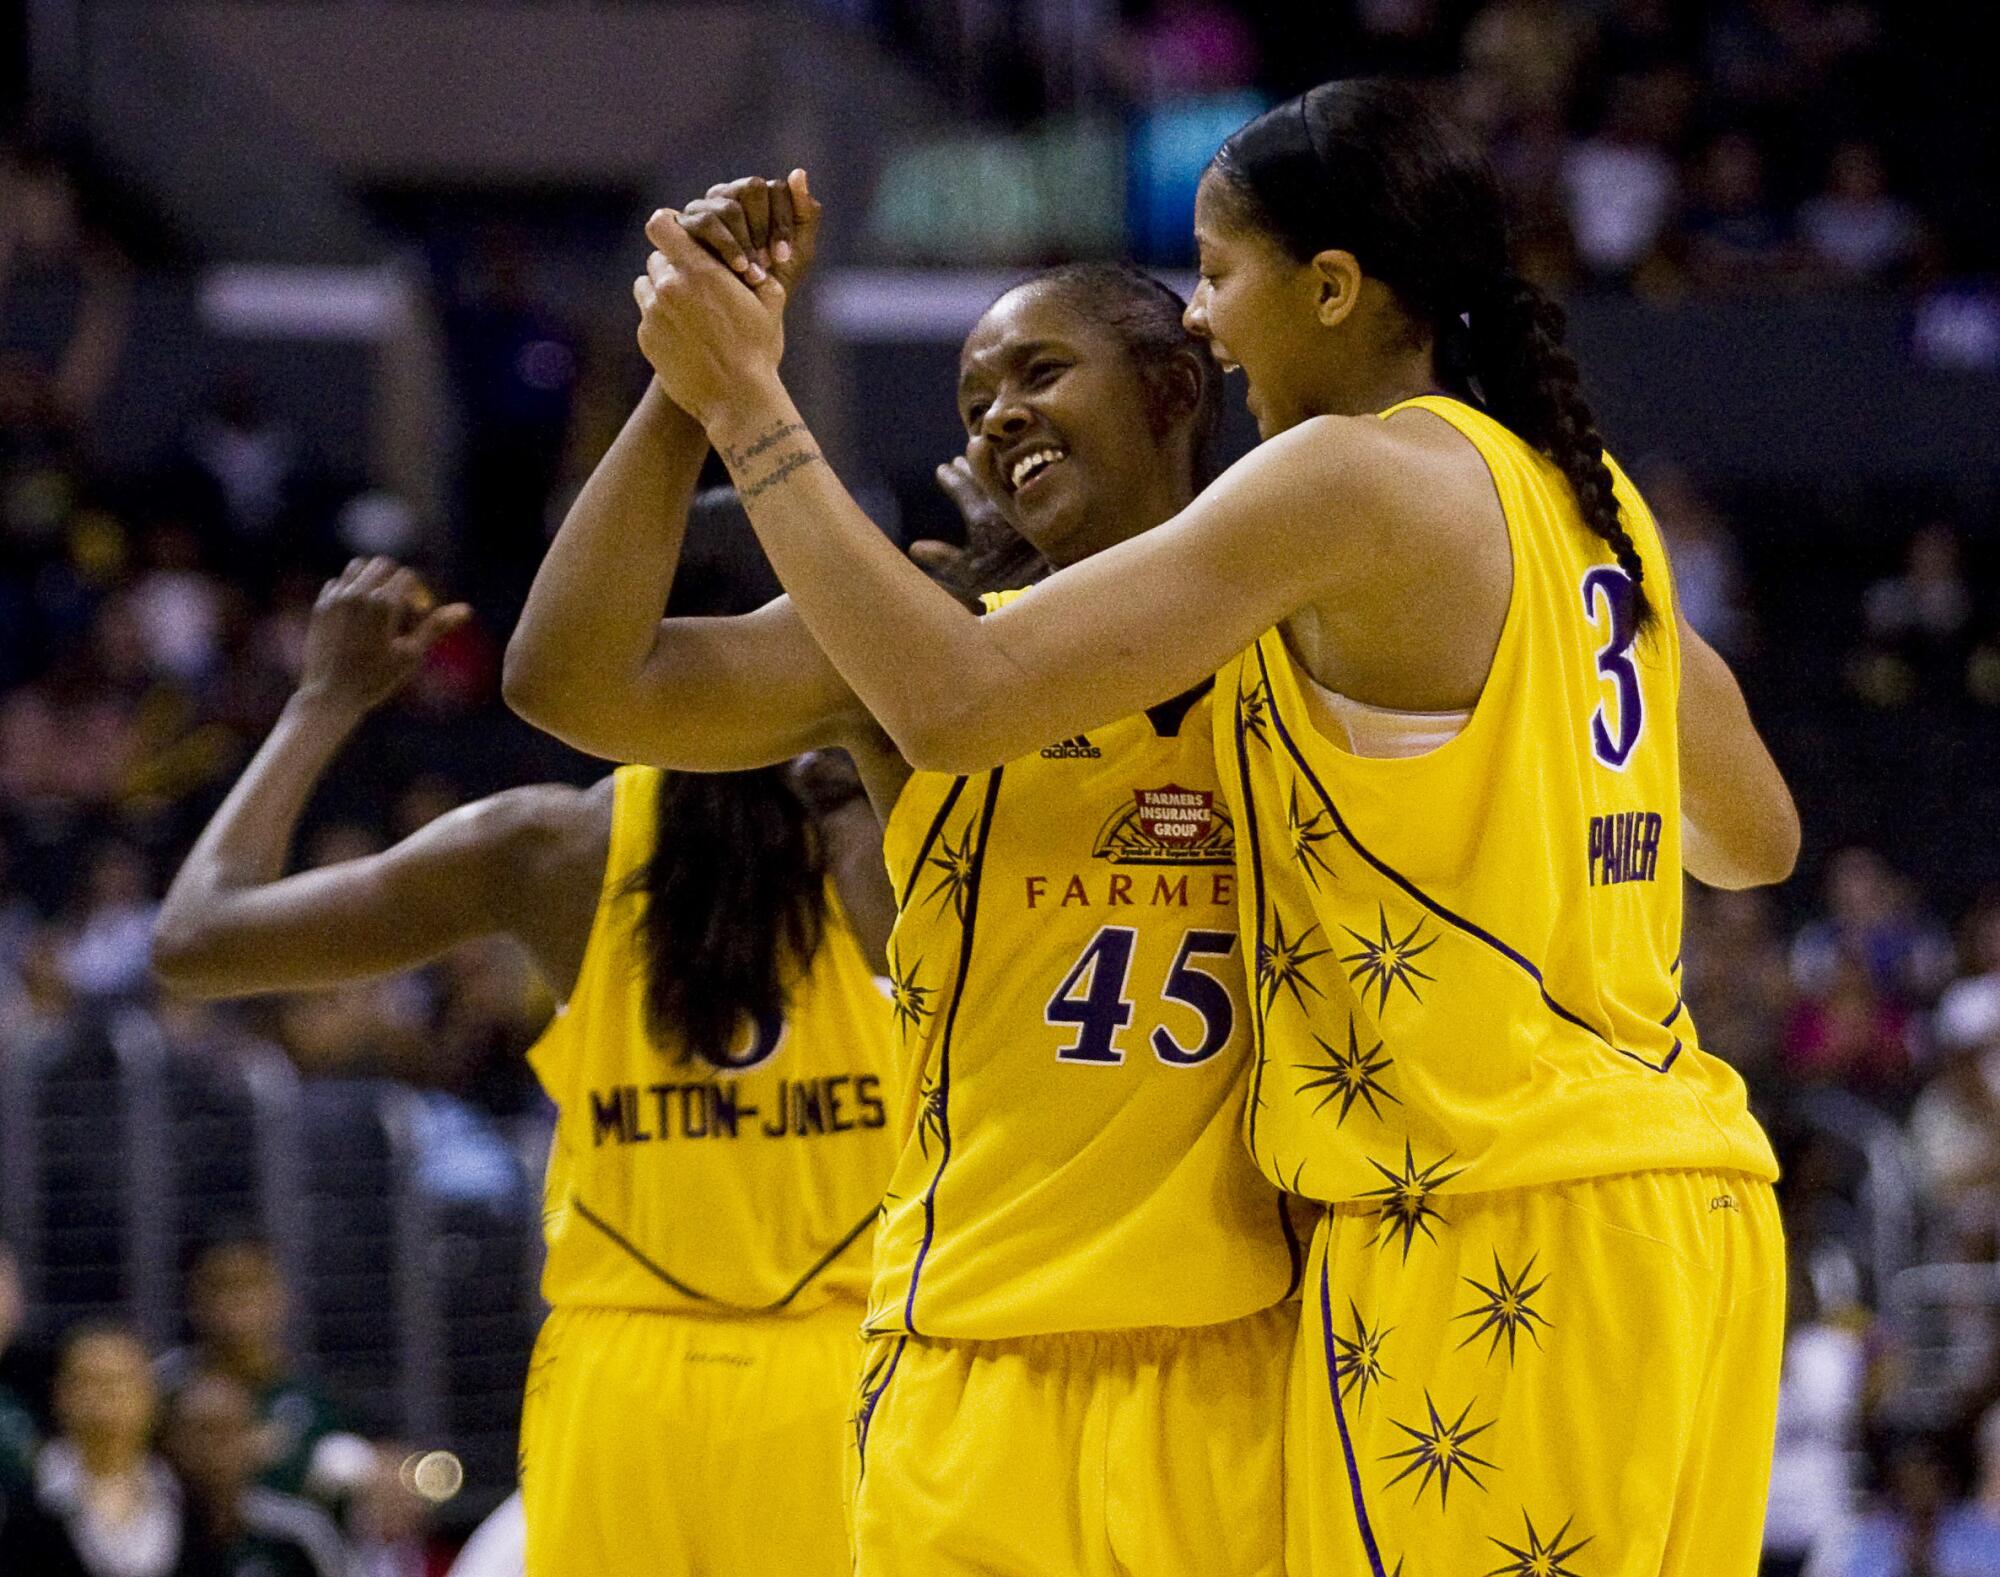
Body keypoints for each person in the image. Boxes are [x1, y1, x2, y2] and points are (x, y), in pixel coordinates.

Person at [631, 80, 1798, 1574]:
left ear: (1330, 286)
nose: (1201, 316)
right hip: (1691, 1208)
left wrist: (746, 405)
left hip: (1491, 1220)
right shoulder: (1586, 502)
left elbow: (959, 699)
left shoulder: (1351, 476)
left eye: (1221, 268)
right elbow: (1752, 834)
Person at [506, 181, 1300, 1576]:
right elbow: (569, 677)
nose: (994, 414)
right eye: (971, 397)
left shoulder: (1314, 625)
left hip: (1243, 1355)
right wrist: (697, 385)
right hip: (970, 1355)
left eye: (1039, 371)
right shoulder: (910, 648)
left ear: (1178, 385)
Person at [151, 552, 898, 1577]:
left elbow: (197, 935)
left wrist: (324, 699)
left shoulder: (551, 846)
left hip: (619, 1387)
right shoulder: (891, 832)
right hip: (852, 1374)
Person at [160, 1369, 348, 1577]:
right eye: (199, 1432)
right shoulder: (150, 1530)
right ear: (170, 1443)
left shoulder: (297, 1534)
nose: (213, 1448)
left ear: (255, 1440)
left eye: (228, 1432)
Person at [34, 1324, 181, 1577]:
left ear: (151, 1396)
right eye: (88, 1381)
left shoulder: (185, 1495)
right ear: (60, 1395)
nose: (107, 1395)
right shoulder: (28, 1503)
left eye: (121, 1381)